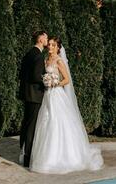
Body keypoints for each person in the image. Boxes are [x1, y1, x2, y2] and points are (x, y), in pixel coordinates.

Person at [29, 37, 104, 174]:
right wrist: (47, 82)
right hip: (47, 96)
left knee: (58, 123)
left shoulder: (58, 60)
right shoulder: (46, 60)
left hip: (57, 94)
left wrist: (55, 83)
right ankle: (47, 158)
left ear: (58, 47)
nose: (50, 47)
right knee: (46, 122)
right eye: (49, 45)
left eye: (53, 45)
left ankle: (65, 157)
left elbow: (67, 80)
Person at [19, 31, 48, 167]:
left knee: (26, 124)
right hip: (35, 95)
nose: (47, 39)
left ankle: (22, 152)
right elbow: (36, 76)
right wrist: (47, 80)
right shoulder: (38, 55)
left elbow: (22, 74)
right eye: (46, 37)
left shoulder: (29, 53)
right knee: (31, 126)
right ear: (41, 39)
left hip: (27, 94)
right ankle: (27, 157)